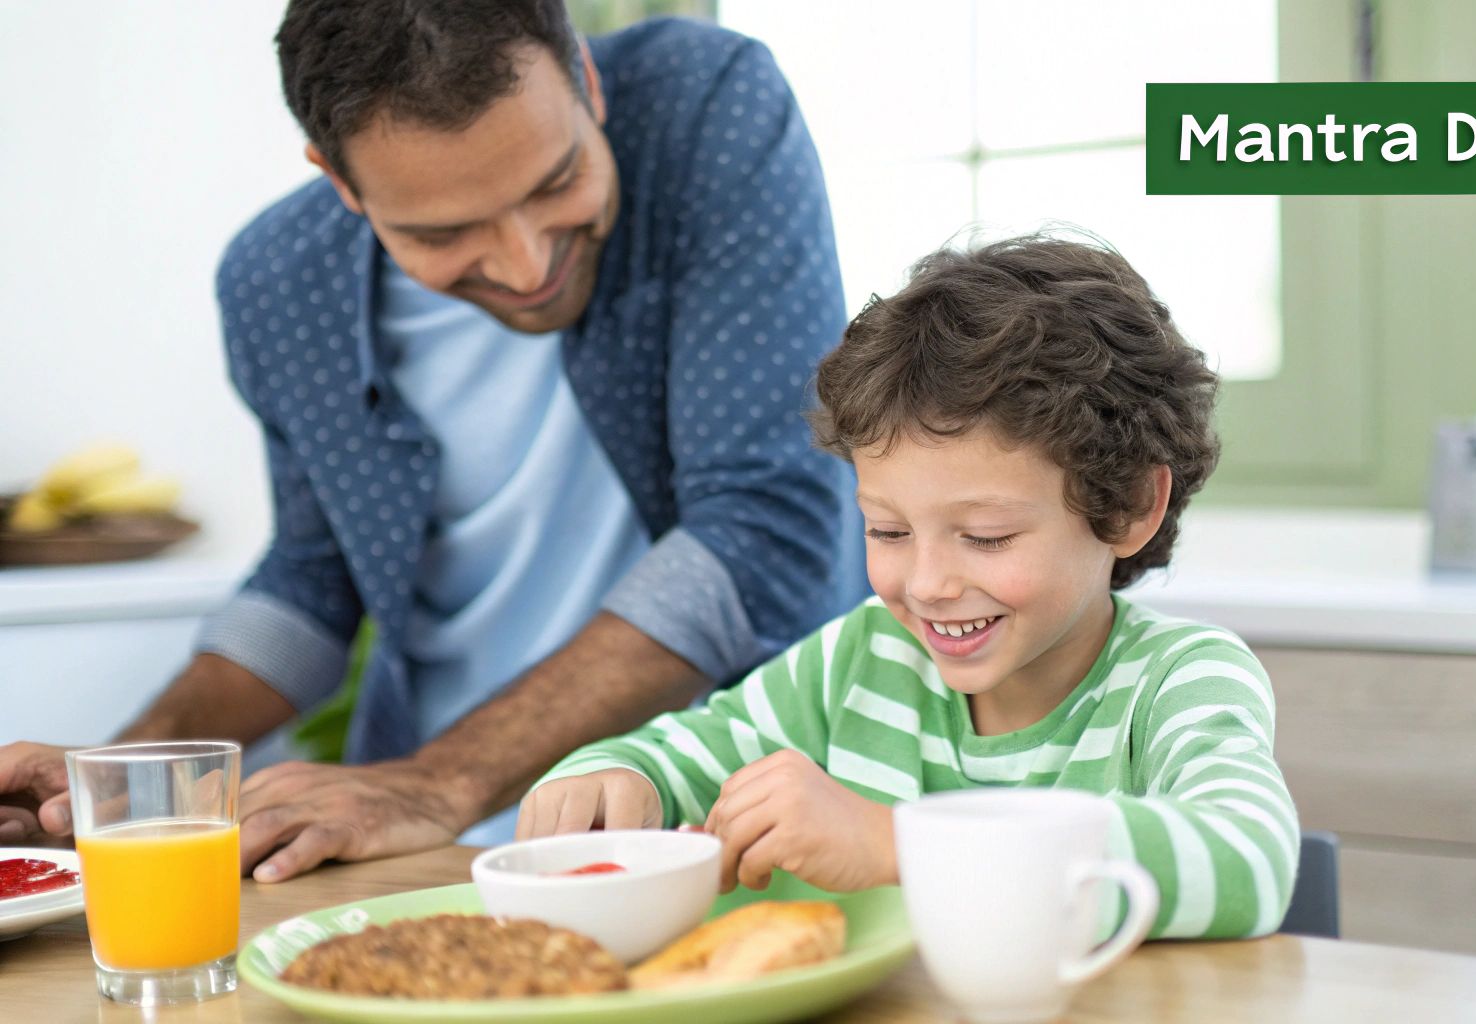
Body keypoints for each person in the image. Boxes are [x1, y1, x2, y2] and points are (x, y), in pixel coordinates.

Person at [0, 2, 864, 879]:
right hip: (416, 851)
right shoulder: (276, 283)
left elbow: (761, 530)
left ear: (587, 83)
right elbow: (311, 582)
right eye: (444, 233)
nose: (527, 266)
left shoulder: (707, 109)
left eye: (555, 181)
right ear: (338, 182)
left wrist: (433, 782)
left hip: (713, 826)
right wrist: (119, 780)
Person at [521, 234, 1302, 939]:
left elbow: (1248, 862)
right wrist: (608, 782)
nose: (926, 584)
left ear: (1129, 505)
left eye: (985, 536)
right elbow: (670, 756)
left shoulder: (1178, 679)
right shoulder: (854, 665)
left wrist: (895, 844)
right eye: (888, 532)